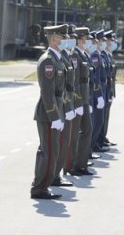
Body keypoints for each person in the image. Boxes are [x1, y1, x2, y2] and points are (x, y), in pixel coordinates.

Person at [30, 24, 67, 200]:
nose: (65, 41)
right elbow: (47, 92)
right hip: (48, 114)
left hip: (55, 112)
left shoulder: (56, 59)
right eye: (62, 37)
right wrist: (54, 115)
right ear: (53, 38)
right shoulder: (48, 60)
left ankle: (41, 185)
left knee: (51, 151)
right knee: (48, 152)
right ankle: (39, 188)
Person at [65, 27, 95, 176]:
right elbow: (75, 81)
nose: (88, 41)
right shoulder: (75, 55)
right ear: (79, 39)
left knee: (87, 129)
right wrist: (77, 103)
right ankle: (72, 165)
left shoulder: (83, 55)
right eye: (86, 39)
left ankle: (81, 164)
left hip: (84, 99)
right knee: (74, 135)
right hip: (78, 101)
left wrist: (86, 102)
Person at [52, 24, 77, 187]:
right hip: (58, 108)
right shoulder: (52, 59)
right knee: (54, 147)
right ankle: (51, 177)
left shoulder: (63, 57)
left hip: (65, 106)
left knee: (64, 142)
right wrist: (58, 112)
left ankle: (56, 176)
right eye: (63, 37)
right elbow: (54, 91)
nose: (66, 41)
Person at [90, 30, 108, 153]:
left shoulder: (99, 54)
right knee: (96, 122)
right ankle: (91, 148)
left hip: (101, 91)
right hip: (95, 94)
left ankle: (92, 147)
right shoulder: (95, 55)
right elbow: (95, 77)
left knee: (99, 121)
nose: (99, 43)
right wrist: (98, 94)